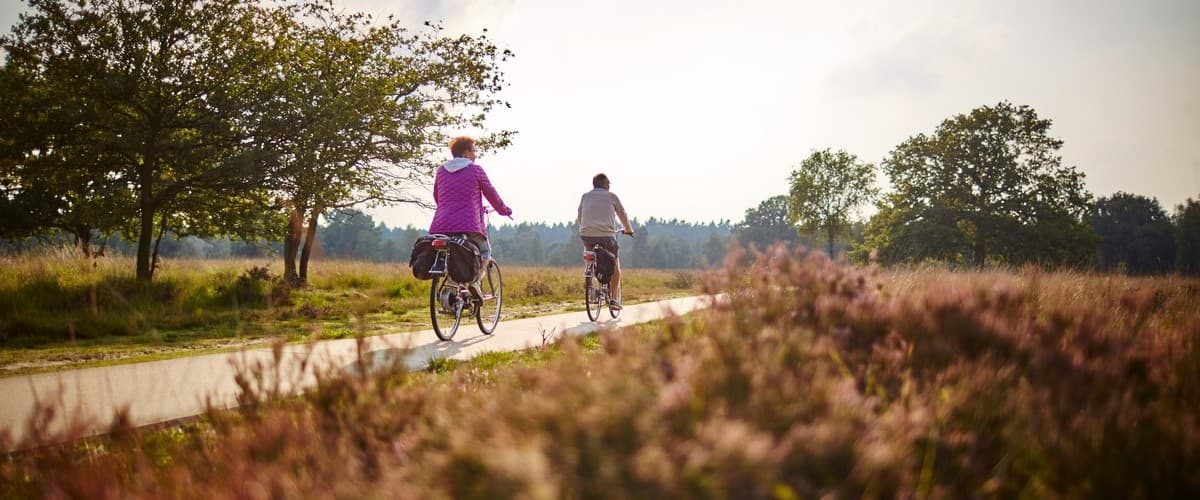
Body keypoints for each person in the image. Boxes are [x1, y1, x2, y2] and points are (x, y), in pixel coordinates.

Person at [429, 136, 513, 299]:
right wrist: (504, 210)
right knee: (485, 253)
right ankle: (474, 284)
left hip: (442, 224)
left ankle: (452, 288)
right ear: (466, 152)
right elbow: (491, 194)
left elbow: (436, 196)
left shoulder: (441, 170)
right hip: (470, 224)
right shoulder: (475, 170)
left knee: (450, 253)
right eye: (474, 151)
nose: (476, 155)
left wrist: (447, 209)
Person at [577, 173, 633, 310]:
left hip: (587, 235)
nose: (609, 186)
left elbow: (580, 215)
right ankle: (614, 299)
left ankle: (589, 276)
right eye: (608, 184)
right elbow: (622, 213)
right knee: (615, 266)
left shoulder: (585, 197)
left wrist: (585, 227)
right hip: (607, 236)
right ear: (604, 184)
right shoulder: (612, 196)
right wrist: (628, 229)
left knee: (589, 255)